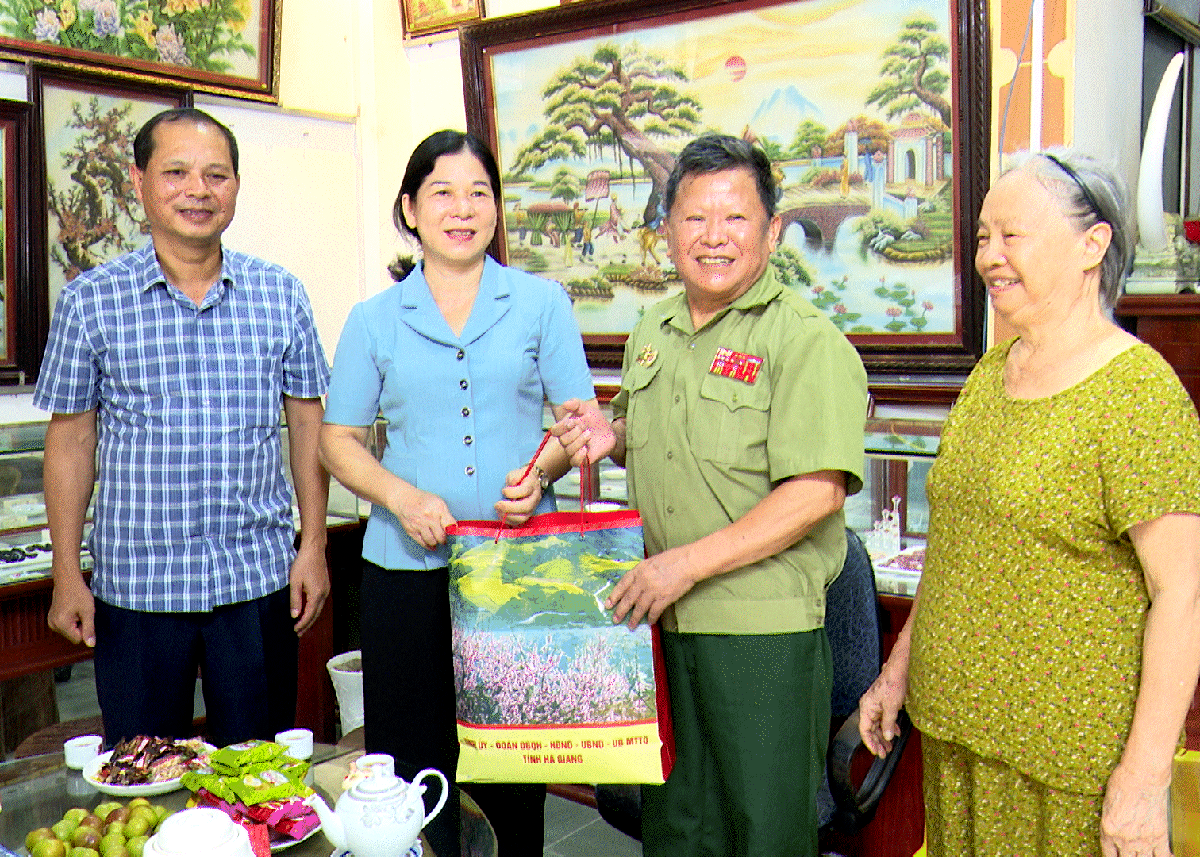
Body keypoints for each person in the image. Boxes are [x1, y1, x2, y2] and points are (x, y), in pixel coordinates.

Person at [858, 150, 1200, 857]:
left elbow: (1185, 594)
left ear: (1092, 245)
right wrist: (899, 667)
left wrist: (1142, 778)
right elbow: (955, 547)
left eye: (1013, 235)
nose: (990, 256)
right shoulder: (990, 374)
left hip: (1066, 765)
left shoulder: (1137, 393)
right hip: (957, 735)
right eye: (984, 236)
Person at [558, 133, 869, 856]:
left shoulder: (803, 340)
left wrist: (684, 564)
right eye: (694, 218)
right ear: (666, 229)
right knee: (677, 826)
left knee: (763, 831)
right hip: (661, 621)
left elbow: (816, 492)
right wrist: (612, 431)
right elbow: (654, 421)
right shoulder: (654, 327)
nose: (714, 238)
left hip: (759, 632)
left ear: (771, 227)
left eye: (735, 218)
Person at [318, 129, 612, 857]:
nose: (462, 208)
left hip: (516, 572)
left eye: (479, 192)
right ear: (410, 210)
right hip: (404, 574)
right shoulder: (374, 319)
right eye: (442, 192)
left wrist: (541, 472)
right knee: (416, 767)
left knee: (514, 766)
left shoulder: (541, 303)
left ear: (496, 209)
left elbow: (579, 422)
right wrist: (402, 497)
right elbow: (336, 440)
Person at [34, 108, 331, 749]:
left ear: (235, 188)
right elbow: (70, 441)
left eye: (215, 175)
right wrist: (65, 572)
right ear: (139, 182)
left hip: (255, 581)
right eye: (176, 172)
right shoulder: (92, 300)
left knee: (258, 782)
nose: (198, 190)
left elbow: (309, 426)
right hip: (138, 586)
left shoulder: (281, 295)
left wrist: (313, 546)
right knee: (141, 781)